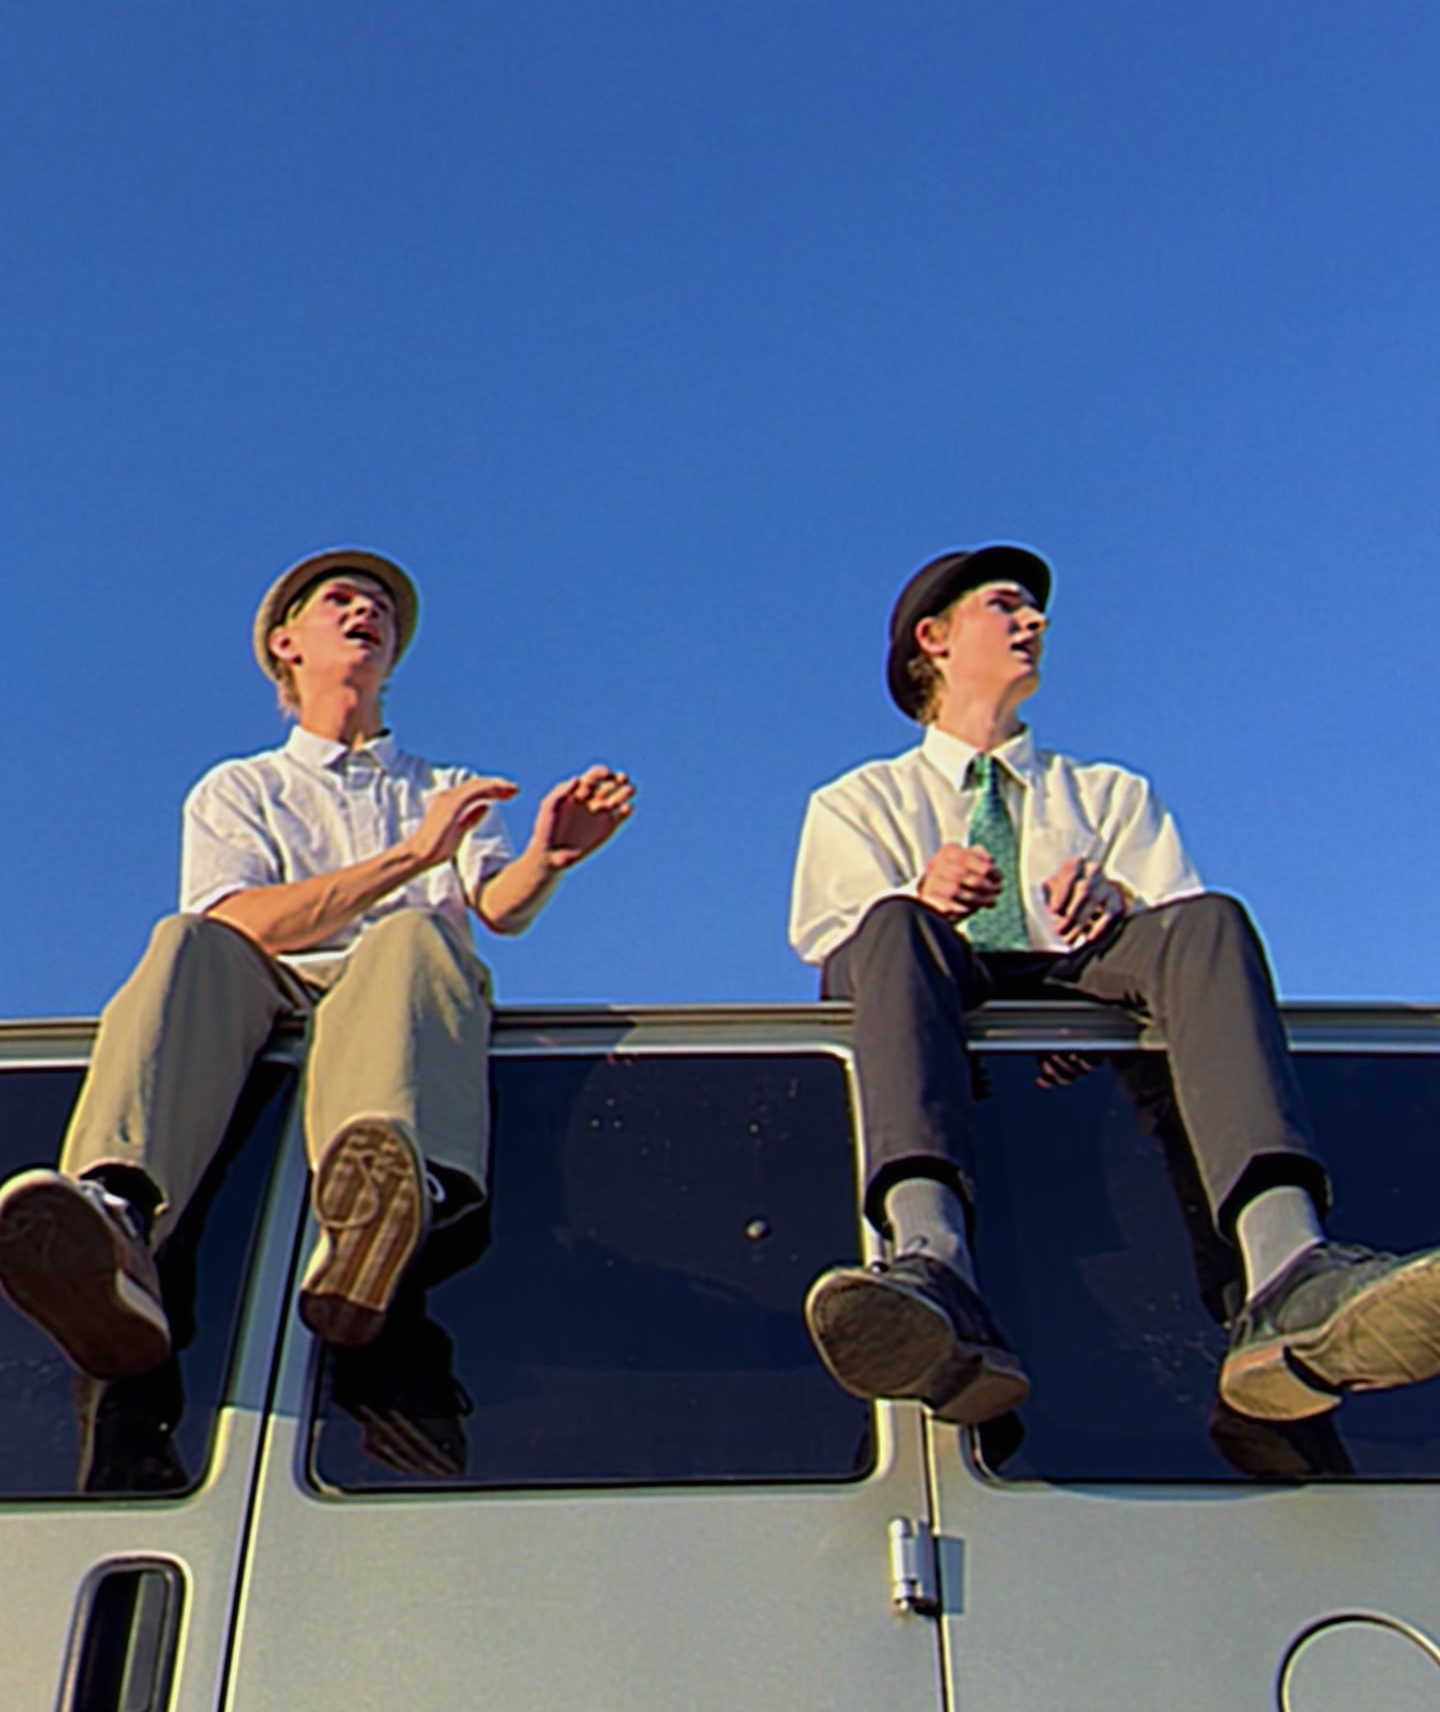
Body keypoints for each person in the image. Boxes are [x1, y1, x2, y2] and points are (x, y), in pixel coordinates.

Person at [791, 544, 1440, 1430]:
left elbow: (1184, 936)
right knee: (891, 928)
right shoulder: (859, 802)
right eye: (1006, 605)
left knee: (1210, 922)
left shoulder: (1109, 793)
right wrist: (919, 895)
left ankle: (1290, 1270)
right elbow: (830, 942)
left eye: (1035, 610)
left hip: (1085, 981)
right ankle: (931, 1262)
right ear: (933, 638)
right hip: (941, 985)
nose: (1035, 621)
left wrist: (1121, 902)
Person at [0, 548, 634, 1380]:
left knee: (413, 937)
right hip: (265, 987)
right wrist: (412, 857)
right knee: (186, 941)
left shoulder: (446, 785)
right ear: (286, 644)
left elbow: (499, 908)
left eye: (382, 609)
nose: (368, 612)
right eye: (341, 599)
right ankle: (117, 1214)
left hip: (398, 997)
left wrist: (547, 857)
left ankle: (384, 1210)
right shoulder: (238, 788)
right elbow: (239, 922)